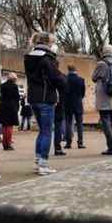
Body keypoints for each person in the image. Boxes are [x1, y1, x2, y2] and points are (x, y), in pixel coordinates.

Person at [24, 32, 66, 176]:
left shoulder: (29, 57)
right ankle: (43, 163)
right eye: (52, 42)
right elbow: (56, 78)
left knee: (42, 131)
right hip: (46, 98)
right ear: (47, 43)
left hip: (33, 98)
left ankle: (37, 161)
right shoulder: (47, 59)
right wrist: (64, 81)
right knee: (47, 131)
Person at [93, 44, 112, 155]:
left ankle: (111, 147)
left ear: (104, 52)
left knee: (105, 121)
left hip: (104, 96)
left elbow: (94, 77)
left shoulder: (101, 64)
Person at [64, 65, 86, 149]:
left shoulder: (65, 79)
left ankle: (68, 143)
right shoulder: (81, 80)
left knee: (68, 123)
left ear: (68, 70)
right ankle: (80, 142)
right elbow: (83, 93)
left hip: (68, 104)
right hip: (78, 103)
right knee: (79, 124)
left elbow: (64, 92)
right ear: (76, 70)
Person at [0, 73, 21, 151]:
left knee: (4, 126)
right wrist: (17, 107)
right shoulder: (14, 86)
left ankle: (4, 143)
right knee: (10, 126)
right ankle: (8, 144)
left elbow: (0, 97)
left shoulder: (2, 86)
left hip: (3, 107)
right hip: (12, 107)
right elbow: (17, 97)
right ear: (14, 79)